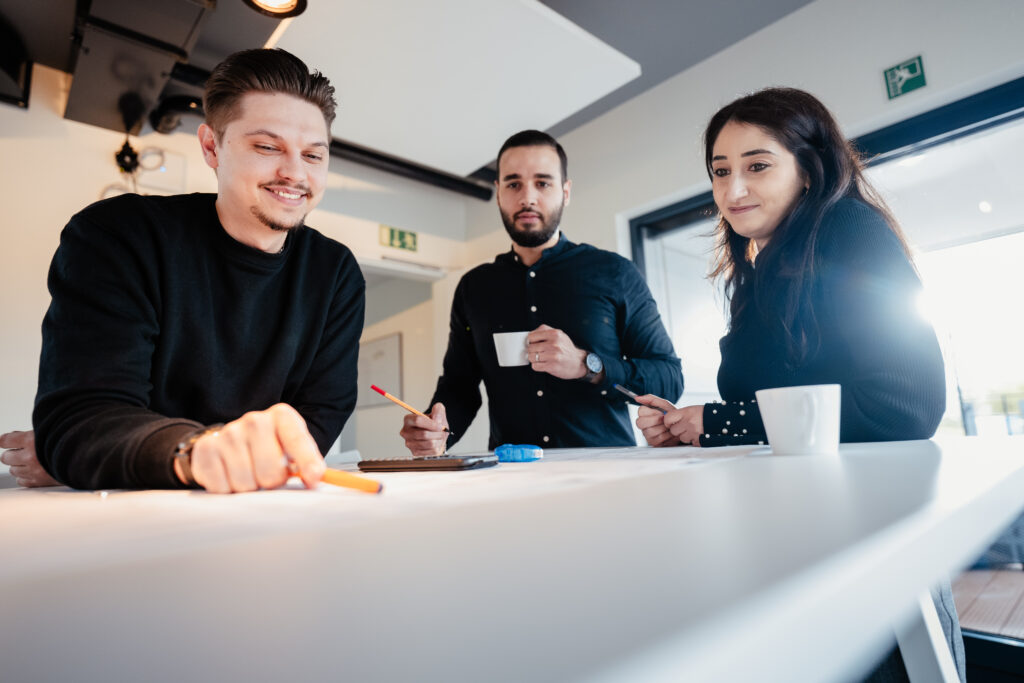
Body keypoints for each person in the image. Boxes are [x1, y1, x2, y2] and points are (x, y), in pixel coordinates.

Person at [636, 87, 962, 681]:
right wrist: (694, 427)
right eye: (719, 171)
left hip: (869, 553)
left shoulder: (852, 232)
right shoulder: (755, 271)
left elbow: (904, 405)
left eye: (758, 166)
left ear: (808, 169)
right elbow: (768, 409)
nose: (732, 191)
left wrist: (721, 422)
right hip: (788, 544)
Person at [23, 48, 364, 493]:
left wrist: (123, 450)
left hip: (264, 517)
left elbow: (317, 421)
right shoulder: (117, 236)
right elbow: (83, 418)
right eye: (266, 146)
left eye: (314, 156)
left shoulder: (336, 273)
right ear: (211, 146)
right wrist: (192, 452)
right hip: (131, 519)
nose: (294, 173)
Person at [400, 130, 683, 456]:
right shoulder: (473, 287)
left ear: (565, 192)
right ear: (498, 193)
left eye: (543, 183)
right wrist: (438, 431)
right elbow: (459, 386)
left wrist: (586, 365)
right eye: (513, 184)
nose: (527, 198)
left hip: (606, 474)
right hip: (510, 477)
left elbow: (669, 379)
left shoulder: (615, 273)